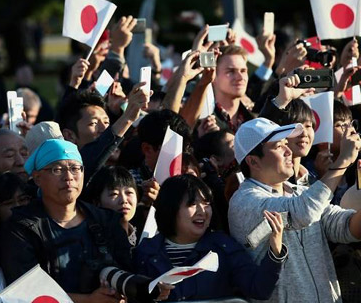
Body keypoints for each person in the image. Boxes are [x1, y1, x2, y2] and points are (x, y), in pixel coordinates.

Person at [229, 110, 361, 302]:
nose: (289, 150)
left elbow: (345, 227)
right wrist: (342, 162)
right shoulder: (244, 201)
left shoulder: (299, 192)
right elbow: (303, 212)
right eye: (278, 146)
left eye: (286, 143)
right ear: (253, 161)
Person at [0, 139, 132, 302]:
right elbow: (25, 291)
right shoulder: (21, 227)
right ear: (37, 178)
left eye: (75, 168)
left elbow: (127, 272)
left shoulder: (106, 220)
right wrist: (88, 300)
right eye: (57, 169)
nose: (68, 177)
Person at [134, 175, 287, 301]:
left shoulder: (224, 247)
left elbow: (259, 289)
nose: (203, 211)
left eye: (206, 204)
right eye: (192, 204)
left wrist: (275, 252)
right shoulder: (146, 252)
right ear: (171, 209)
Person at [83, 166, 139, 246]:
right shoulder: (88, 242)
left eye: (129, 193)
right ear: (97, 202)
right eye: (114, 194)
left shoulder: (145, 238)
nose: (123, 200)